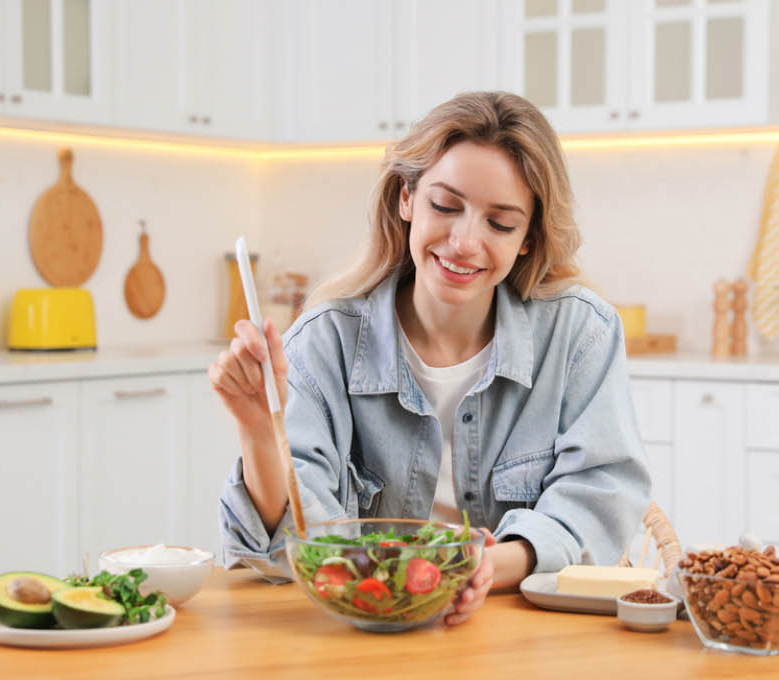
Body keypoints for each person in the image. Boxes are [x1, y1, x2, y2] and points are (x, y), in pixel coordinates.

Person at [210, 91, 651, 627]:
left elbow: (603, 496)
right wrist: (259, 431)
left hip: (525, 638)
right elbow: (290, 553)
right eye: (445, 206)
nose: (465, 242)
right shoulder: (324, 341)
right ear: (406, 199)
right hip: (365, 636)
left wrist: (491, 563)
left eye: (501, 223)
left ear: (529, 239)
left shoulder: (580, 332)